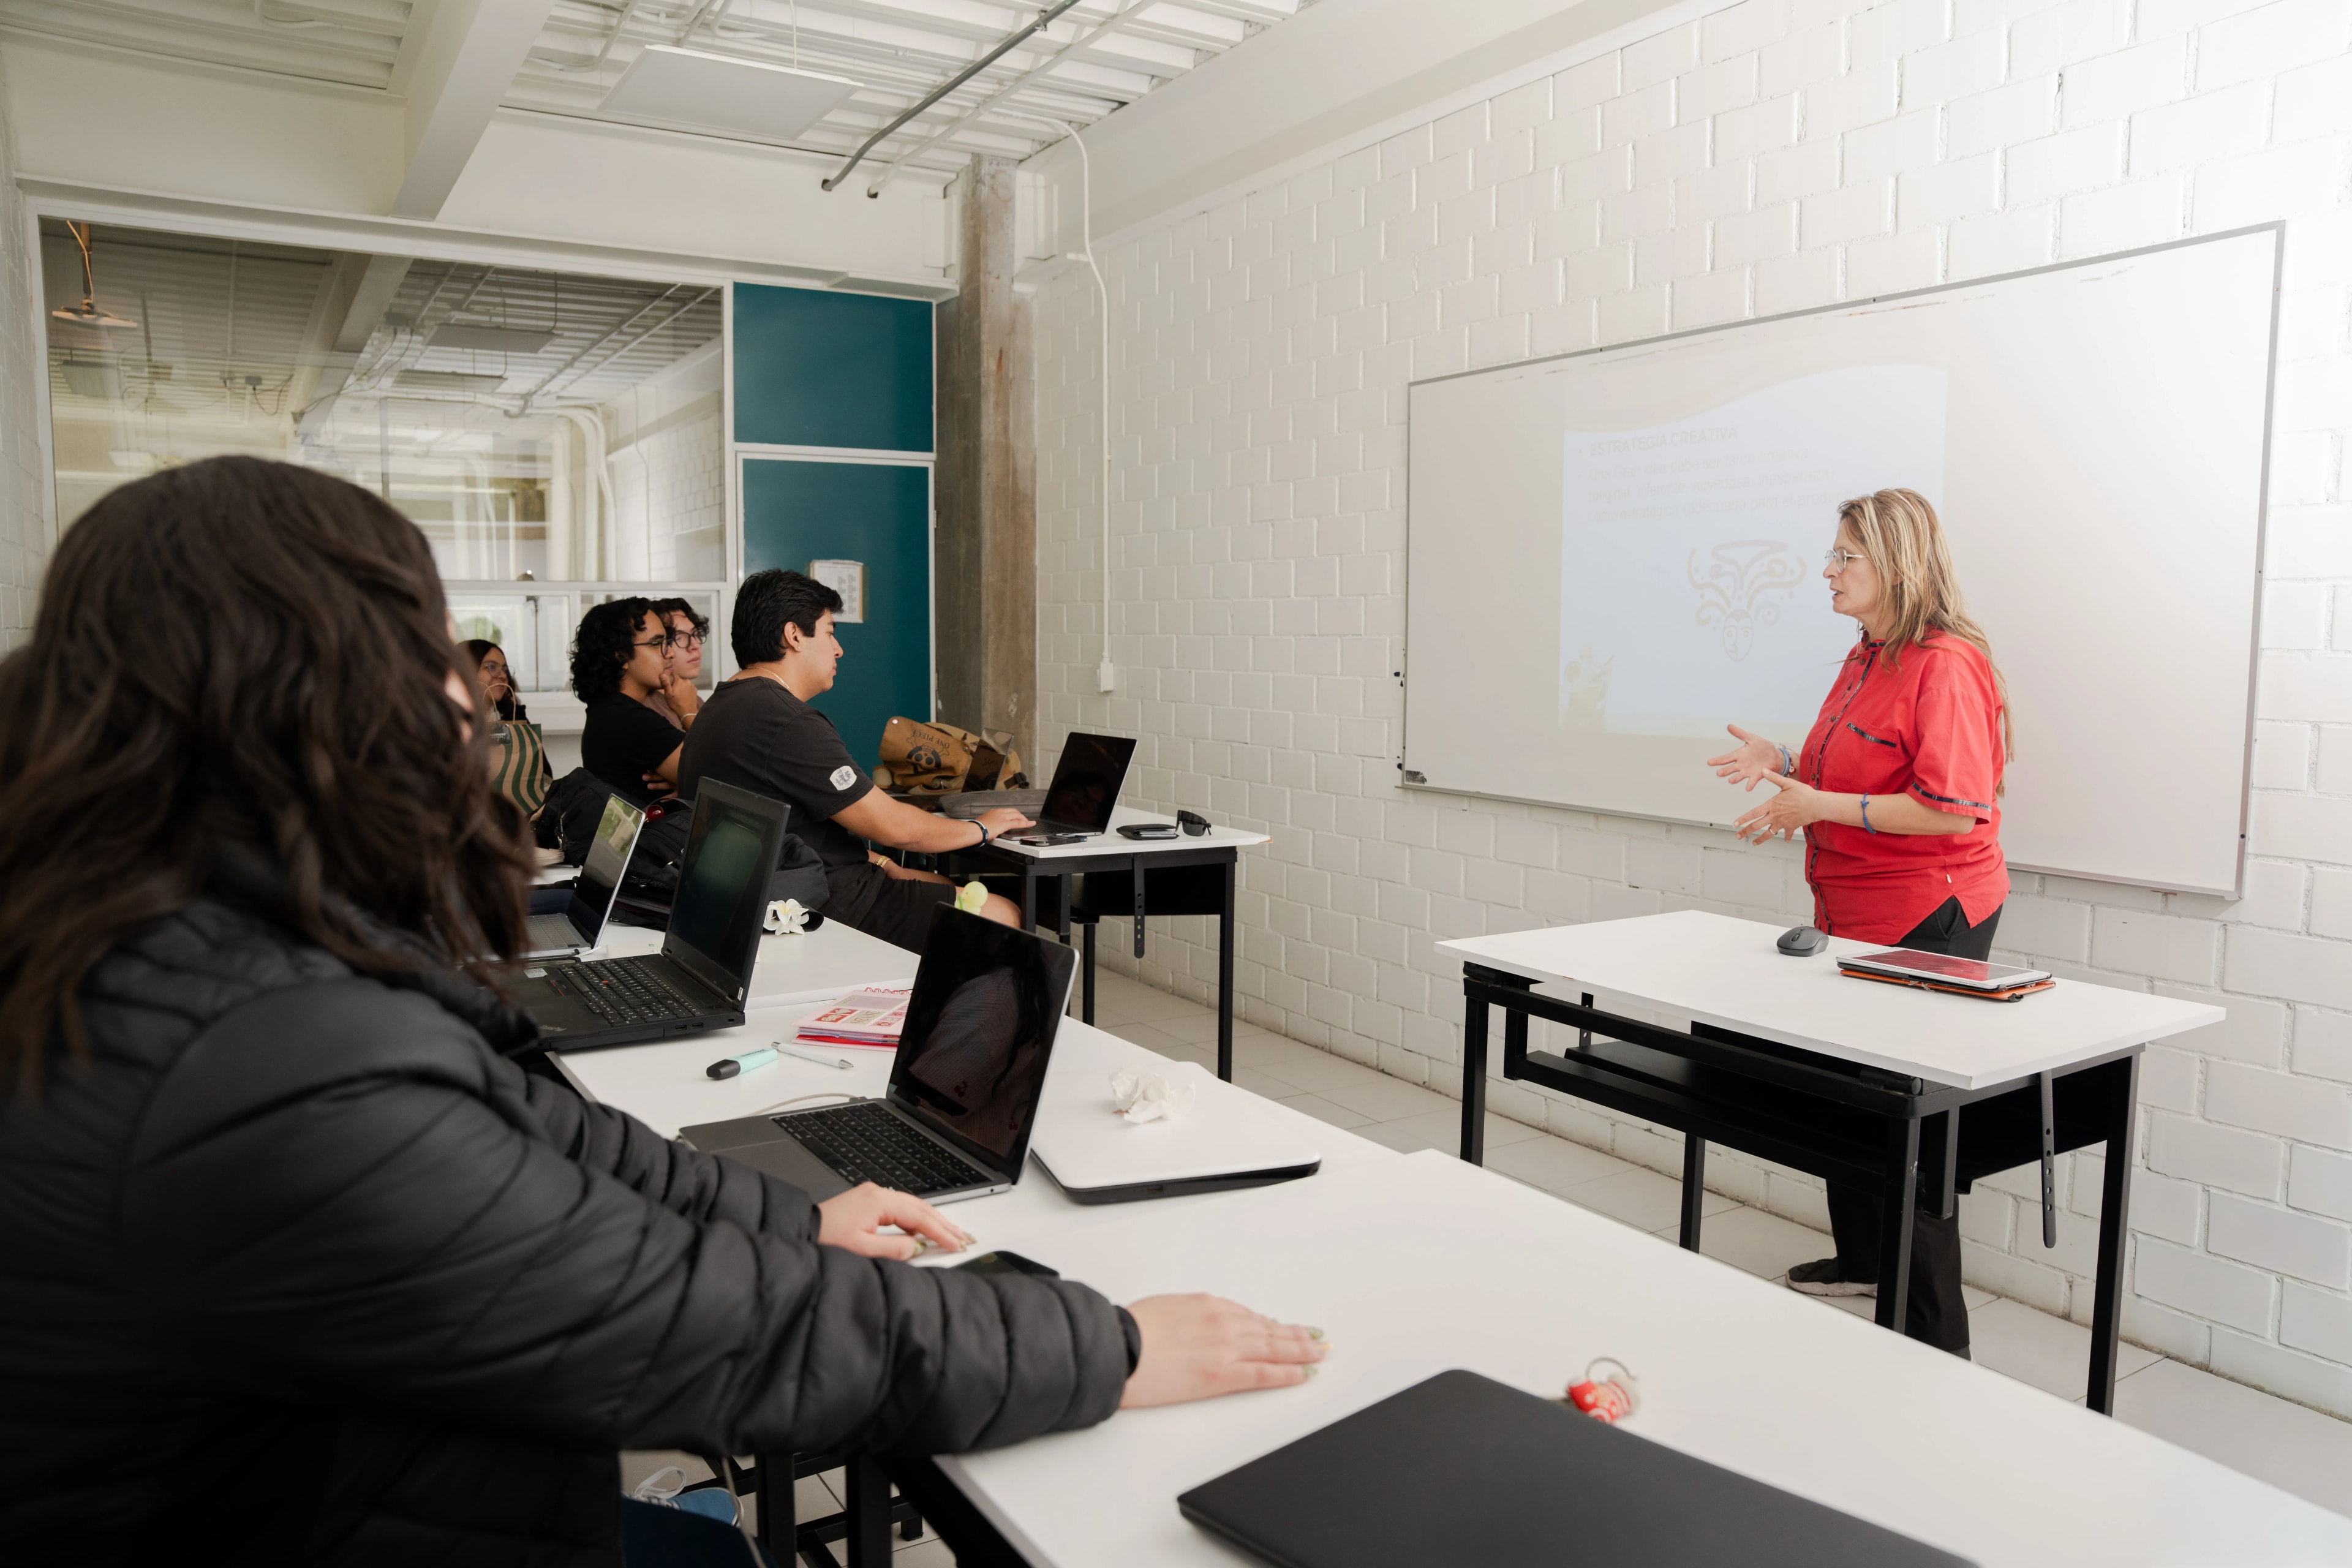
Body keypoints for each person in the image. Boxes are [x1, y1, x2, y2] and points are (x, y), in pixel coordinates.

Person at [0, 457, 1325, 1562]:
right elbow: (729, 1326)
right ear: (326, 693)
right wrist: (1110, 1342)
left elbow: (538, 1132)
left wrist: (789, 1208)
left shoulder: (192, 949)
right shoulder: (256, 1071)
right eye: (424, 646)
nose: (467, 692)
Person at [1707, 488, 2010, 1359]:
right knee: (1848, 1092)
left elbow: (1952, 809)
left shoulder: (1944, 663)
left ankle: (1932, 1337)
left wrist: (1820, 805)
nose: (1828, 571)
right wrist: (1784, 762)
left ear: (1898, 564)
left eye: (1846, 556)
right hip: (1852, 910)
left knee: (1911, 1127)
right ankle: (1866, 1259)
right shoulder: (1866, 655)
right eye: (1833, 555)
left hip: (1933, 913)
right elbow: (1851, 770)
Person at [679, 569, 1039, 951]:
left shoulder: (723, 704)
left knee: (943, 886)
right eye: (830, 632)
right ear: (795, 635)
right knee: (1001, 914)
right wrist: (980, 827)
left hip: (765, 893)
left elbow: (798, 823)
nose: (839, 649)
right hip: (827, 905)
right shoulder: (785, 719)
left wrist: (884, 865)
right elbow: (894, 828)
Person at [573, 597, 687, 806]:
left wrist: (687, 786)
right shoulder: (629, 720)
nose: (670, 653)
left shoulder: (609, 711)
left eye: (667, 643)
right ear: (621, 657)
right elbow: (724, 780)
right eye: (656, 644)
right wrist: (687, 711)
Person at [462, 638, 550, 820]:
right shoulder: (454, 723)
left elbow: (543, 774)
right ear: (467, 668)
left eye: (505, 669)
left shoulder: (515, 718)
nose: (502, 675)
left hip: (520, 819)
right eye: (491, 667)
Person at [641, 596, 708, 734]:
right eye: (679, 637)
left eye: (695, 634)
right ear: (660, 644)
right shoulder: (646, 710)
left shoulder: (693, 699)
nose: (694, 645)